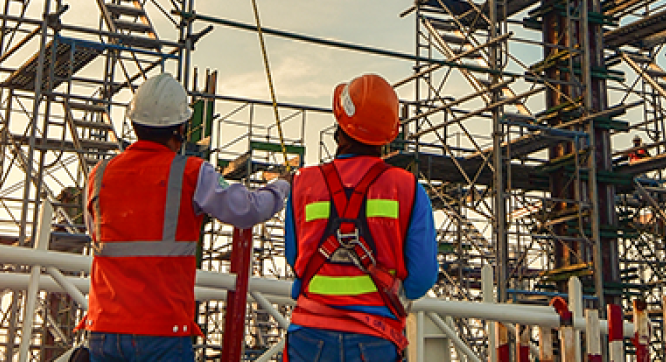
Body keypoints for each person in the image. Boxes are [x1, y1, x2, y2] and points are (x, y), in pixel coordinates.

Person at [84, 73, 290, 362]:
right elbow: (247, 210)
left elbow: (97, 233)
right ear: (181, 128)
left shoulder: (100, 174)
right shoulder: (190, 172)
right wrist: (282, 187)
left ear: (134, 123)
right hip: (162, 331)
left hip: (103, 328)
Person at [285, 74, 438, 362]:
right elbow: (421, 278)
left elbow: (295, 258)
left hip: (309, 335)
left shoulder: (303, 184)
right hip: (375, 339)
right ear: (390, 134)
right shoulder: (407, 189)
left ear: (339, 126)